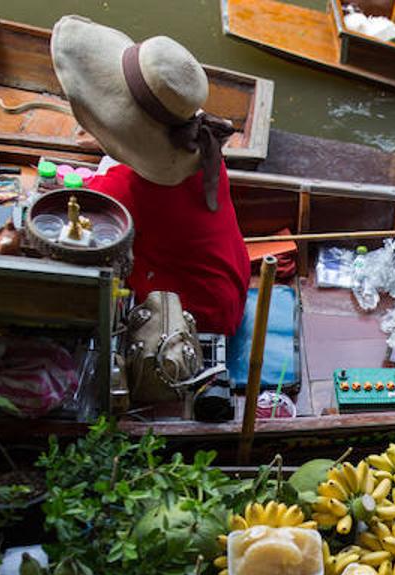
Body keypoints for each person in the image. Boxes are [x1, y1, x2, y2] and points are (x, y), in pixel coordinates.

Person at [50, 16, 248, 335]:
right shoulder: (203, 145)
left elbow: (76, 222)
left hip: (198, 318)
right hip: (231, 290)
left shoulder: (127, 187)